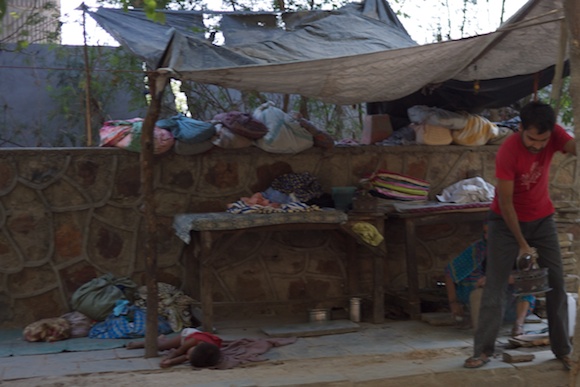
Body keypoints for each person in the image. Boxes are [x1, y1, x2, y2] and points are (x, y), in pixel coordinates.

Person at [464, 101, 576, 370]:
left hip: (543, 218)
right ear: (521, 129)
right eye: (531, 139)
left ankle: (562, 349)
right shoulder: (508, 151)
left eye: (543, 140)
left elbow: (574, 146)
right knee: (495, 285)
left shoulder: (556, 135)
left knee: (557, 285)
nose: (537, 145)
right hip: (505, 220)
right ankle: (483, 351)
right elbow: (505, 203)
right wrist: (523, 244)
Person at [445, 224, 535, 336]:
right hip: (485, 295)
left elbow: (528, 277)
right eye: (486, 233)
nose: (487, 236)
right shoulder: (478, 249)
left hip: (510, 300)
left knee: (526, 287)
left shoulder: (519, 250)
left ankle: (518, 324)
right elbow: (450, 272)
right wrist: (453, 303)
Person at [127, 327, 222, 368]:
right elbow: (178, 352)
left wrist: (171, 362)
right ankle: (142, 343)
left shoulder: (207, 352)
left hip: (197, 343)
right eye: (189, 355)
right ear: (198, 345)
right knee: (161, 347)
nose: (187, 357)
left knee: (173, 347)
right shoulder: (192, 342)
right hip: (187, 335)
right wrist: (167, 358)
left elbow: (186, 356)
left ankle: (162, 339)